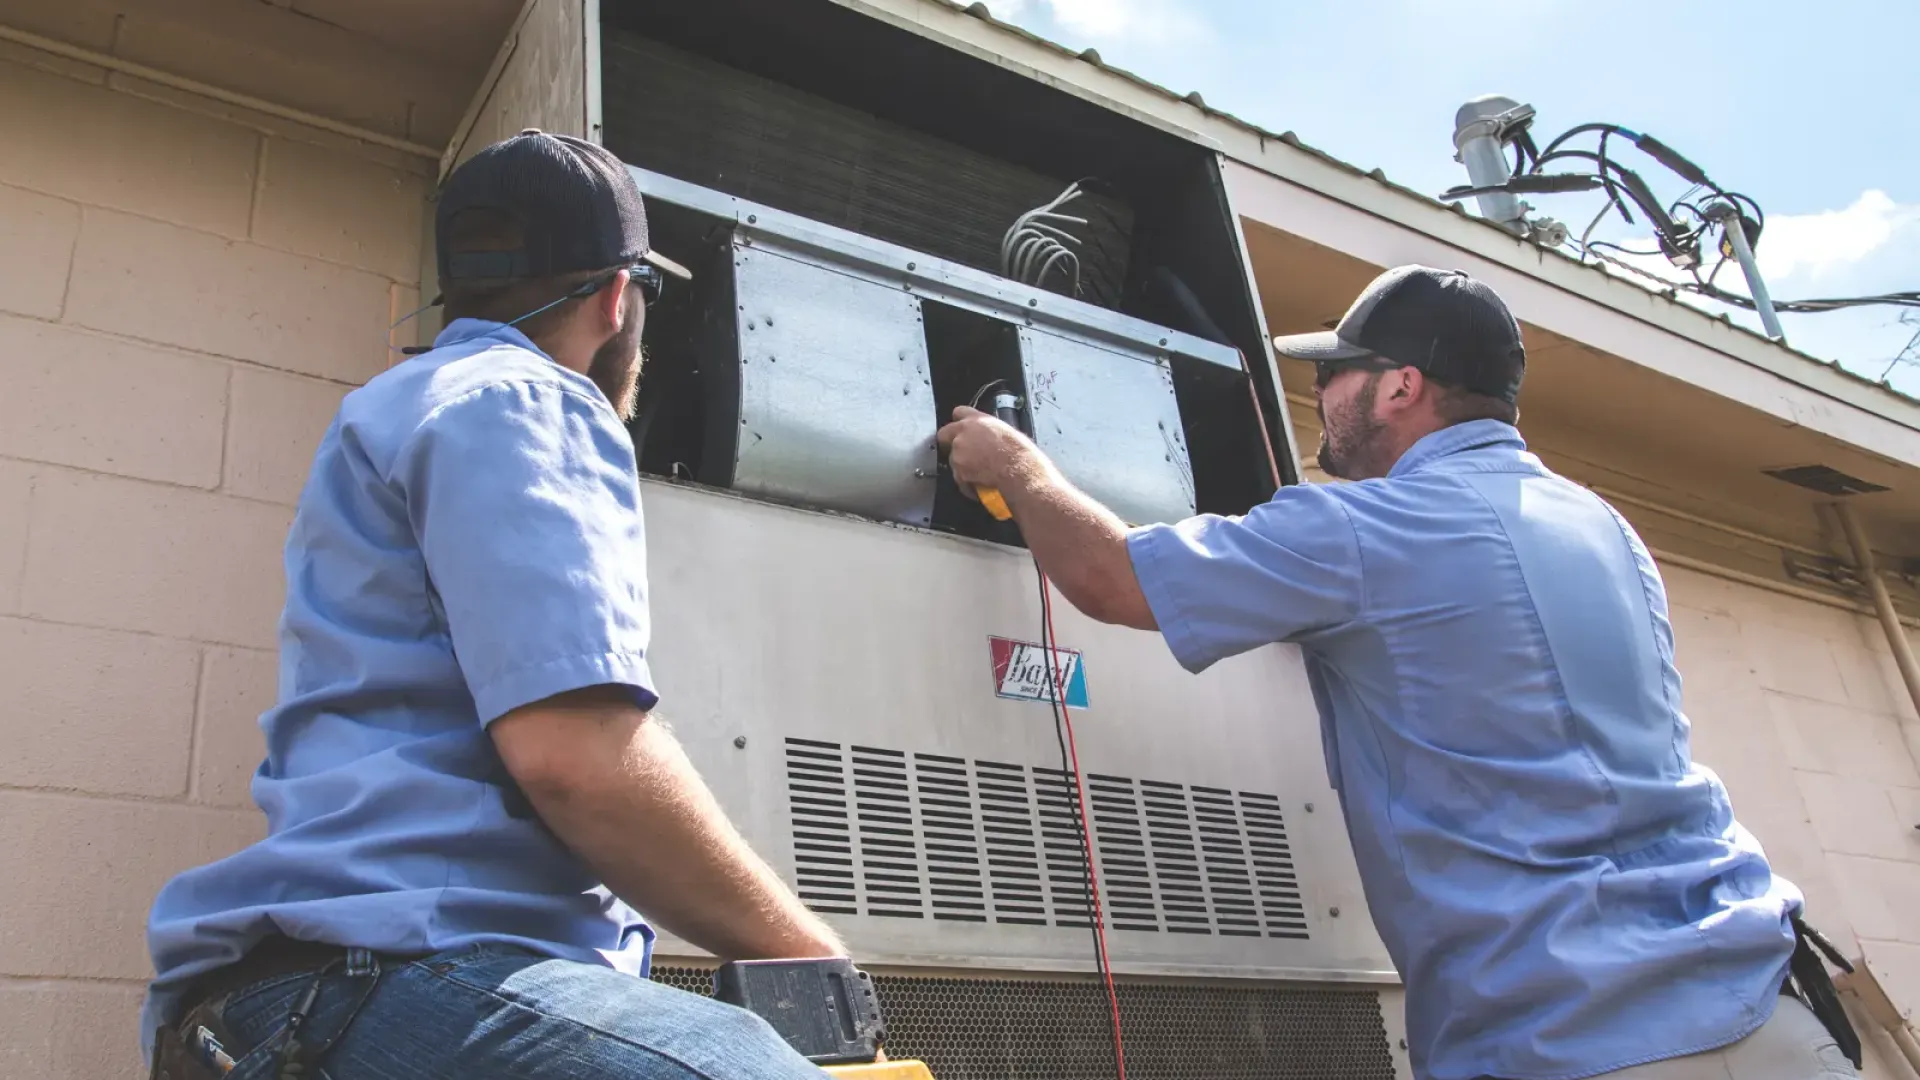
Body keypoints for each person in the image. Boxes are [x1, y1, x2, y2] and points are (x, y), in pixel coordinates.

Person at [937, 265, 1859, 1080]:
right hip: (1773, 1013)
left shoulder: (1360, 530)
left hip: (1578, 1040)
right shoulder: (1602, 526)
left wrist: (1015, 464)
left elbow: (1111, 578)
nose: (1322, 389)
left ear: (1401, 388)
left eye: (1336, 370)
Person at [142, 130, 845, 1079]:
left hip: (282, 1007)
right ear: (615, 296)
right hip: (391, 987)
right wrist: (813, 958)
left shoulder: (396, 404)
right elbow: (576, 760)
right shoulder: (530, 398)